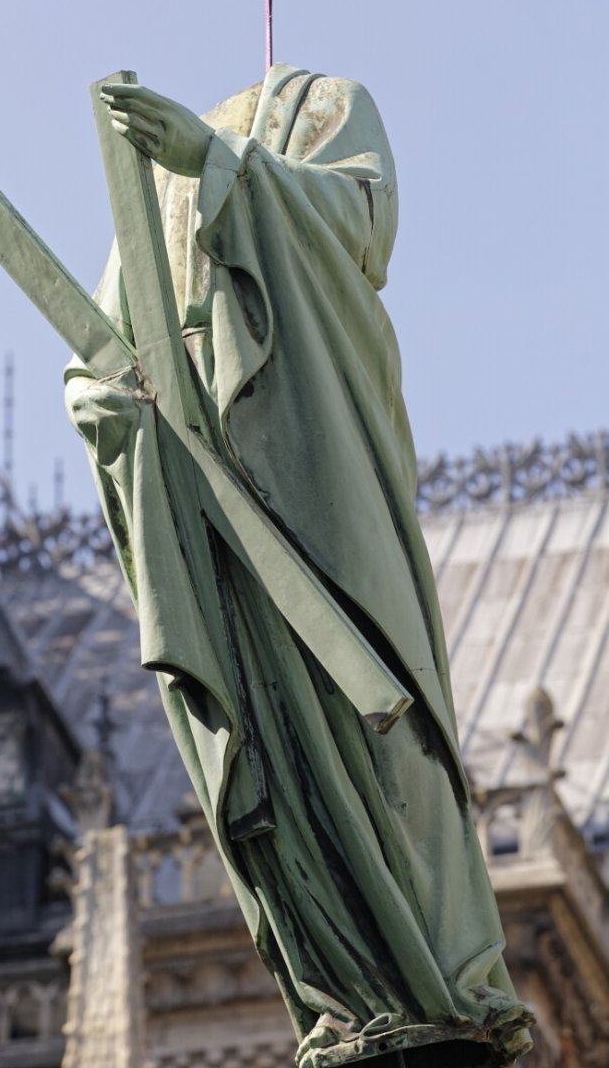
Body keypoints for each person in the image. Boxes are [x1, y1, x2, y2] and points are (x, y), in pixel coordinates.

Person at [65, 65, 534, 1066]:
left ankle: (426, 968)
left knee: (378, 728)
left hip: (320, 461)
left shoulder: (322, 107)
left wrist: (220, 164)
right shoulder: (143, 201)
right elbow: (97, 361)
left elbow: (359, 216)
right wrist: (130, 408)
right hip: (210, 513)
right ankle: (349, 987)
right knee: (267, 746)